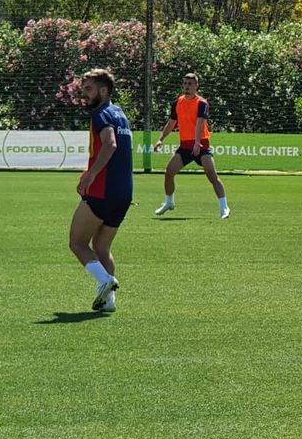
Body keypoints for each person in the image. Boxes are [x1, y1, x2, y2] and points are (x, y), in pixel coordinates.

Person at [68, 68, 134, 312]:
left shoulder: (101, 114)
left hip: (102, 191)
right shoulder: (120, 114)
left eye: (88, 89)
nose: (84, 94)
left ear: (103, 91)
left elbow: (110, 144)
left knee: (77, 243)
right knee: (102, 248)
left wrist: (90, 175)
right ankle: (109, 302)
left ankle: (106, 280)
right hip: (124, 193)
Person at [152, 73, 230, 218]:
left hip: (202, 145)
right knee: (169, 173)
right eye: (185, 83)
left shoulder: (202, 103)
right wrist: (161, 139)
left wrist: (197, 143)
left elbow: (200, 123)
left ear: (196, 86)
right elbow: (171, 123)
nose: (187, 86)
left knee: (211, 175)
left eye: (190, 84)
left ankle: (224, 207)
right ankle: (169, 202)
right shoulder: (178, 102)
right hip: (185, 146)